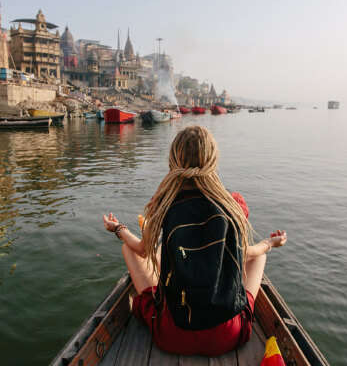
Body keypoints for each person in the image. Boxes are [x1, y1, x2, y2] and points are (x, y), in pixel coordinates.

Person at [102, 125, 286, 356]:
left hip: (172, 336)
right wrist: (270, 244)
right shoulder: (233, 204)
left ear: (173, 160)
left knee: (131, 250)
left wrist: (118, 228)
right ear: (212, 159)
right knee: (260, 256)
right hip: (228, 336)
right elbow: (244, 254)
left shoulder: (163, 203)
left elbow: (140, 250)